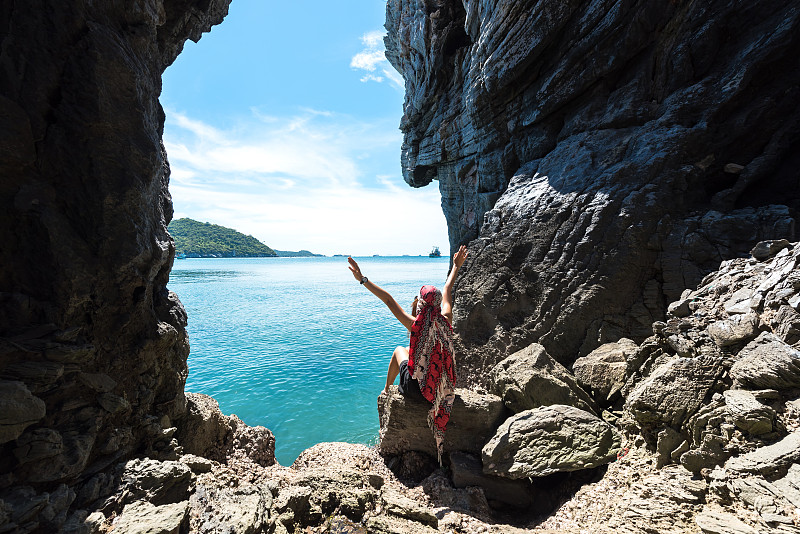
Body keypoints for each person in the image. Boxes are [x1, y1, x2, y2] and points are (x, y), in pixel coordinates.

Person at [347, 245, 468, 461]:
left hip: (417, 391)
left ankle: (386, 390)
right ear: (437, 304)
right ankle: (392, 389)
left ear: (421, 304)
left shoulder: (415, 325)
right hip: (440, 388)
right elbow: (448, 289)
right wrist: (455, 267)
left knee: (399, 350)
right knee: (409, 352)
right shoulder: (446, 321)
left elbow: (388, 300)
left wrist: (362, 279)